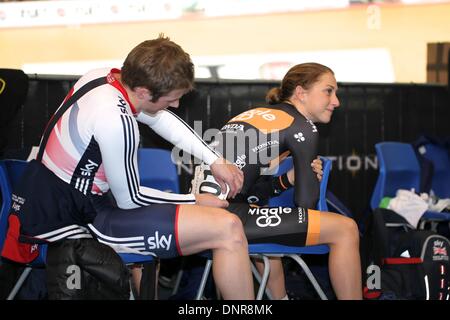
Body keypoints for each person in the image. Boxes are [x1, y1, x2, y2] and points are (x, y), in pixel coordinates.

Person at [1, 35, 254, 299]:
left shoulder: (102, 77)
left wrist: (214, 160)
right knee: (228, 229)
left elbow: (159, 119)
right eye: (172, 98)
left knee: (224, 225)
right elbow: (130, 200)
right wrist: (193, 200)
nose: (177, 104)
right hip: (79, 217)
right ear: (144, 91)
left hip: (50, 198)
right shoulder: (116, 120)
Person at [191, 62, 362, 300]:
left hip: (203, 214)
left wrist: (289, 179)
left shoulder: (261, 116)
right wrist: (309, 178)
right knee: (346, 229)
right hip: (224, 215)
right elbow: (306, 206)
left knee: (266, 228)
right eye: (328, 91)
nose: (336, 101)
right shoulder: (301, 126)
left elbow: (251, 194)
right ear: (301, 93)